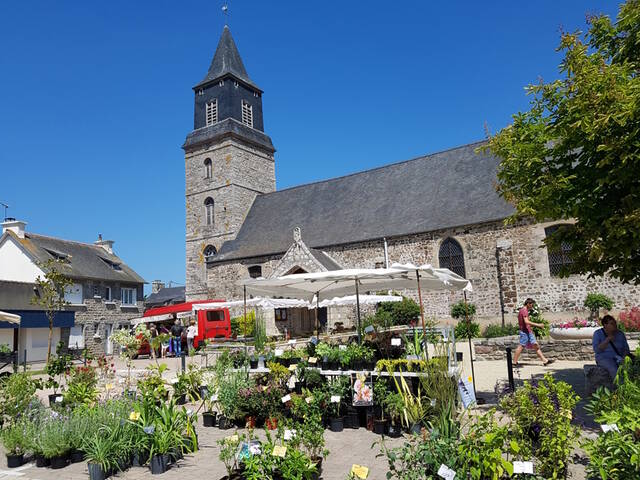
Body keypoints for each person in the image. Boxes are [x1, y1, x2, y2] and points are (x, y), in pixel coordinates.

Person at [513, 298, 554, 366]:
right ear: (528, 304)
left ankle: (545, 361)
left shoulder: (523, 310)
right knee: (521, 346)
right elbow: (526, 321)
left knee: (535, 345)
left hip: (528, 331)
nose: (532, 306)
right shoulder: (524, 310)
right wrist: (538, 325)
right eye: (532, 305)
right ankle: (514, 362)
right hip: (525, 332)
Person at [592, 314, 631, 382]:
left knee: (630, 368)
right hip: (604, 358)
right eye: (612, 324)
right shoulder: (598, 333)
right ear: (605, 325)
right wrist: (608, 339)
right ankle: (620, 388)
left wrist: (624, 357)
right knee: (614, 369)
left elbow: (626, 349)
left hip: (620, 357)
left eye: (615, 323)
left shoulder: (620, 334)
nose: (615, 325)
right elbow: (597, 350)